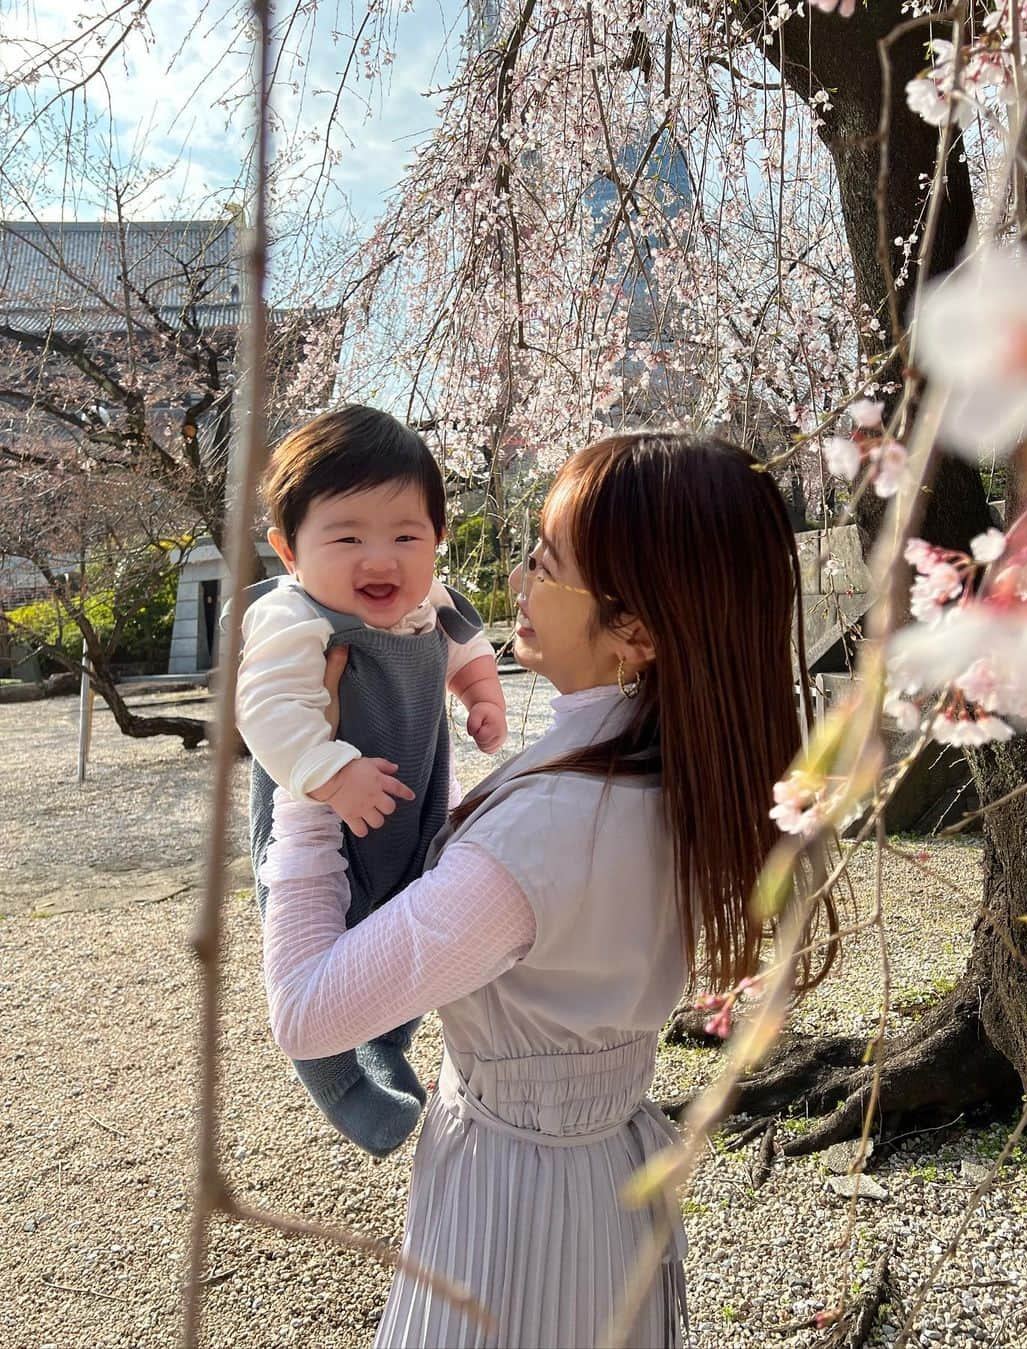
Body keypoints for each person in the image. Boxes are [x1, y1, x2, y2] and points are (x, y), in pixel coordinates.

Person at [259, 431, 816, 1347]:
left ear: (635, 631)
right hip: (607, 1173)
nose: (517, 578)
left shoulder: (550, 826)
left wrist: (305, 782)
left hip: (512, 1204)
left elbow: (309, 1011)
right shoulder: (686, 769)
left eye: (545, 562)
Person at [237, 405, 507, 1157]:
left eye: (405, 535)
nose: (379, 559)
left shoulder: (431, 604)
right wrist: (331, 773)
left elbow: (466, 645)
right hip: (323, 810)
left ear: (437, 539)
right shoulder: (294, 617)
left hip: (413, 807)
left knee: (396, 928)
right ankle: (335, 1080)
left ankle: (385, 1043)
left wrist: (481, 695)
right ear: (289, 551)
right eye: (347, 536)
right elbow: (266, 707)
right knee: (322, 930)